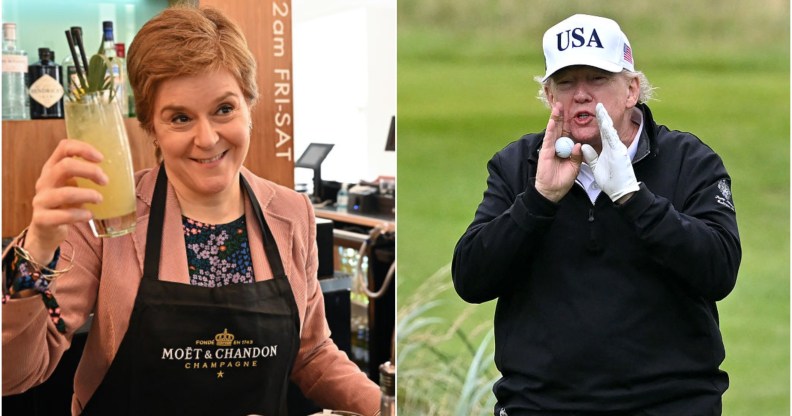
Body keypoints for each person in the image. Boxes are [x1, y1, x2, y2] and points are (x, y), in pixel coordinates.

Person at [2, 6, 380, 415]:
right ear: (152, 128)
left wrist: (388, 405)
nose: (207, 137)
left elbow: (312, 354)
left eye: (224, 109)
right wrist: (37, 248)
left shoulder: (292, 213)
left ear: (249, 105)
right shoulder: (107, 218)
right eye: (180, 118)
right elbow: (13, 374)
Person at [452, 14, 740, 415]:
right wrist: (539, 200)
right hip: (539, 404)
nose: (581, 95)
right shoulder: (519, 165)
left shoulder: (690, 161)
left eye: (598, 79)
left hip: (670, 403)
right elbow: (471, 278)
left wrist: (634, 199)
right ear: (550, 97)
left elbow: (719, 270)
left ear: (632, 89)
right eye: (566, 84)